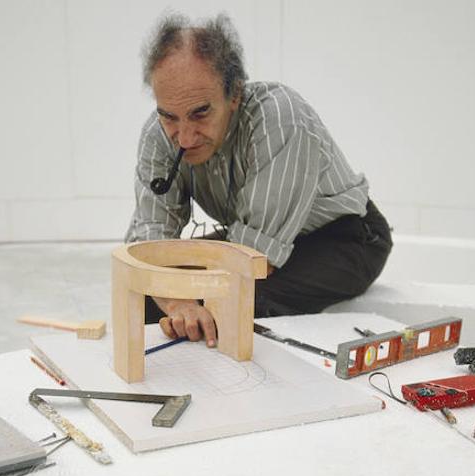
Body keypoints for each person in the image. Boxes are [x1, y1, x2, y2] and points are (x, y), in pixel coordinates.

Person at [126, 12, 392, 347]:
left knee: (231, 308)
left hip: (344, 239)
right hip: (253, 237)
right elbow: (149, 242)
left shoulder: (281, 119)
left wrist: (188, 298)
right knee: (153, 297)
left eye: (201, 113)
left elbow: (253, 258)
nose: (184, 137)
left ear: (234, 94)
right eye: (169, 116)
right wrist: (176, 301)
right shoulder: (158, 133)